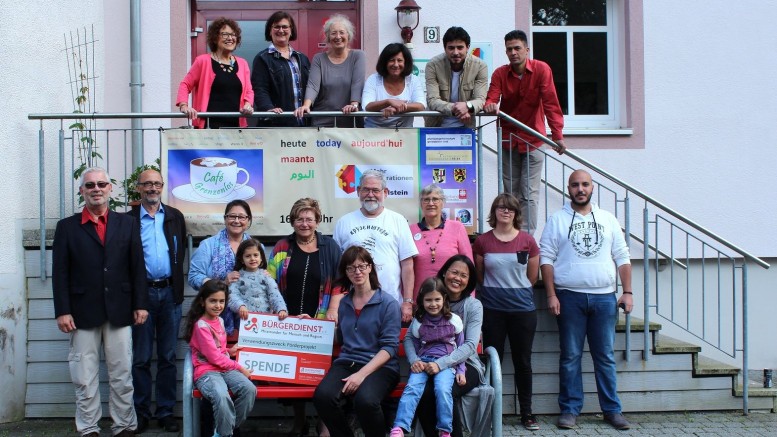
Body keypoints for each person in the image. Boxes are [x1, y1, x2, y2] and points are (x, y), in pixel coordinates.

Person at [52, 167, 148, 437]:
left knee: (122, 374)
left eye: (101, 184)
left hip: (120, 310)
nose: (96, 189)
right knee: (84, 376)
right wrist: (63, 311)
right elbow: (60, 273)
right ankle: (88, 428)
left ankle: (125, 425)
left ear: (110, 189)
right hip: (81, 313)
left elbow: (137, 266)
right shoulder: (67, 228)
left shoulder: (127, 224)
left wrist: (140, 304)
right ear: (82, 191)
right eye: (90, 185)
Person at [539, 169, 634, 430]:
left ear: (592, 188)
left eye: (585, 184)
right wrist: (551, 294)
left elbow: (622, 256)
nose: (580, 189)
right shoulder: (557, 220)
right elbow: (546, 258)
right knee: (570, 356)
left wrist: (627, 291)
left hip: (605, 298)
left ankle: (612, 410)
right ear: (567, 189)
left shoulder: (608, 219)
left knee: (605, 356)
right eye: (575, 185)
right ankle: (569, 410)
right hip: (569, 298)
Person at [268, 198, 342, 437]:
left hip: (319, 321)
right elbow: (269, 282)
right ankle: (299, 421)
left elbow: (341, 282)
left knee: (321, 372)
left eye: (309, 219)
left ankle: (324, 422)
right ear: (292, 221)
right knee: (293, 375)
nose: (304, 223)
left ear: (317, 221)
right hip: (286, 321)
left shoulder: (330, 247)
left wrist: (333, 309)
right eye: (299, 218)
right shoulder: (281, 247)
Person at [484, 29, 566, 236]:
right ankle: (509, 234)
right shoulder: (500, 73)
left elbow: (551, 102)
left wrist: (557, 135)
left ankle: (526, 238)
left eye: (517, 48)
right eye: (509, 49)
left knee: (529, 193)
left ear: (527, 50)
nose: (513, 53)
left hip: (534, 139)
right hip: (508, 140)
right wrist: (491, 105)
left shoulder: (541, 69)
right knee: (510, 192)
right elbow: (491, 97)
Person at [313, 246, 401, 437]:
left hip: (381, 367)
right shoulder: (344, 303)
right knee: (323, 396)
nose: (357, 272)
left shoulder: (388, 303)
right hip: (347, 362)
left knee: (365, 401)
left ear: (370, 268)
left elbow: (389, 347)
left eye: (361, 266)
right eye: (351, 268)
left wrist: (361, 375)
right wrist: (307, 326)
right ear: (346, 272)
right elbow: (341, 337)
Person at [473, 193, 540, 430]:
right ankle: (492, 413)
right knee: (493, 360)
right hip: (492, 310)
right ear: (494, 212)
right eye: (500, 208)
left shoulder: (528, 241)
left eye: (510, 208)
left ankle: (527, 413)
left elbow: (532, 277)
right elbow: (480, 276)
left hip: (522, 311)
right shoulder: (482, 242)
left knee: (523, 362)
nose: (505, 212)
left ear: (516, 213)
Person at [128, 169, 187, 434]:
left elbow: (180, 253)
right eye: (147, 184)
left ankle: (165, 412)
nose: (152, 188)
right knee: (140, 357)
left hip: (169, 294)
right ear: (138, 188)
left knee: (167, 356)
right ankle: (140, 413)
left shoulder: (175, 217)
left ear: (162, 187)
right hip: (140, 297)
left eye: (156, 183)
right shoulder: (127, 220)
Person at [413, 255, 485, 437]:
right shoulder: (430, 300)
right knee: (424, 393)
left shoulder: (473, 305)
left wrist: (442, 364)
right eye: (454, 272)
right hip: (430, 362)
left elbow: (470, 345)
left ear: (469, 280)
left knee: (446, 392)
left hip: (466, 365)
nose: (458, 278)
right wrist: (416, 360)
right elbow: (409, 337)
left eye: (464, 275)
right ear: (445, 272)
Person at [333, 169, 418, 323]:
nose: (370, 194)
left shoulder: (398, 221)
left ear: (385, 192)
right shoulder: (344, 222)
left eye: (375, 190)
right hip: (353, 305)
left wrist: (408, 301)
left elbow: (407, 265)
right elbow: (338, 268)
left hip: (390, 304)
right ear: (358, 191)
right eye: (365, 189)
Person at [390, 277, 466, 437]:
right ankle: (400, 427)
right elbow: (413, 343)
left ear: (444, 299)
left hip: (446, 364)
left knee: (443, 389)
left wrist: (461, 370)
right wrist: (415, 361)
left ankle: (445, 429)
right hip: (423, 362)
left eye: (437, 299)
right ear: (422, 301)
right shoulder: (419, 321)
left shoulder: (454, 320)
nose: (433, 304)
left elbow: (461, 347)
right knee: (412, 389)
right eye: (428, 300)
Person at [183, 280, 256, 437]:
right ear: (203, 302)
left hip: (224, 369)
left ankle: (223, 431)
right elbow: (214, 357)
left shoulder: (220, 321)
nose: (218, 305)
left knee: (249, 389)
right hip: (207, 372)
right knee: (221, 396)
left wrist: (229, 350)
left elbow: (218, 350)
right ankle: (226, 433)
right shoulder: (201, 326)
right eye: (213, 301)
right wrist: (240, 368)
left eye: (221, 301)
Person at [189, 199, 254, 336]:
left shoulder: (255, 248)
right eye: (232, 216)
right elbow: (194, 276)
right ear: (225, 219)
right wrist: (221, 283)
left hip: (248, 318)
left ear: (248, 220)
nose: (236, 220)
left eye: (241, 217)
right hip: (214, 317)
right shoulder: (208, 245)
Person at [177, 17, 254, 128]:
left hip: (236, 127)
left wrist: (248, 104)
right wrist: (184, 106)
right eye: (225, 34)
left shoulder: (242, 63)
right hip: (208, 127)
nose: (230, 38)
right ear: (215, 37)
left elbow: (249, 91)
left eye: (233, 35)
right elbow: (185, 84)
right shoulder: (202, 61)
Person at [293, 14, 366, 127]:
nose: (338, 36)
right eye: (333, 33)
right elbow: (313, 85)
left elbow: (357, 83)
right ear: (327, 36)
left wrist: (354, 105)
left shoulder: (358, 56)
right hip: (323, 119)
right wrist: (306, 105)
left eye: (342, 32)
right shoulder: (319, 58)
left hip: (350, 117)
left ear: (348, 35)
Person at [409, 184, 473, 299]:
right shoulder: (410, 230)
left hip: (452, 298)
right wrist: (408, 300)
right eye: (426, 200)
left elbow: (469, 265)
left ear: (443, 203)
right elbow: (406, 269)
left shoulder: (457, 227)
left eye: (435, 199)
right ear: (421, 204)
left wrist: (470, 297)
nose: (431, 203)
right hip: (421, 298)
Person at [251, 11, 310, 127]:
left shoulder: (302, 58)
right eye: (276, 27)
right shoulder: (262, 58)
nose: (281, 30)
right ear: (270, 30)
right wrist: (268, 108)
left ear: (291, 30)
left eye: (285, 27)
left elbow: (312, 87)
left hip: (305, 123)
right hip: (277, 123)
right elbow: (259, 89)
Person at [424, 26, 488, 128]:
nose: (455, 52)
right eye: (451, 48)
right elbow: (432, 100)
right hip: (436, 126)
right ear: (445, 48)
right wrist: (457, 108)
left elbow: (480, 99)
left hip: (466, 126)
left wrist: (467, 106)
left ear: (467, 47)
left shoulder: (480, 66)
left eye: (460, 47)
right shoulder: (433, 65)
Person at [362, 43, 425, 128]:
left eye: (399, 60)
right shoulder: (373, 79)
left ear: (406, 62)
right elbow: (367, 106)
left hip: (404, 134)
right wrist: (388, 102)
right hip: (374, 135)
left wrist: (398, 108)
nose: (395, 64)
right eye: (391, 60)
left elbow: (421, 105)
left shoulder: (413, 80)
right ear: (385, 62)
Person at [229, 238, 288, 320]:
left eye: (255, 255)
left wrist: (281, 309)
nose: (252, 258)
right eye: (248, 256)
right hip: (245, 322)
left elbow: (275, 294)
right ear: (242, 259)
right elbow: (232, 295)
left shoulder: (266, 276)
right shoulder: (237, 277)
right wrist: (240, 306)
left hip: (265, 321)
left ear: (261, 258)